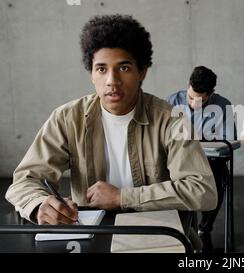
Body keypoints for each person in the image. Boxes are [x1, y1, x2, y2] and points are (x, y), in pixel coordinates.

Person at [5, 15, 217, 235]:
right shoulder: (67, 118)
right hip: (90, 237)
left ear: (142, 72)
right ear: (91, 74)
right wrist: (41, 205)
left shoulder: (171, 119)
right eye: (101, 69)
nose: (112, 81)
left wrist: (122, 197)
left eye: (124, 68)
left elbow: (203, 191)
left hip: (157, 234)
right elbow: (24, 181)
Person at [166, 66, 235, 251]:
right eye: (190, 98)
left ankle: (204, 227)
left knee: (218, 179)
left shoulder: (223, 105)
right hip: (177, 159)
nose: (194, 104)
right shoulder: (171, 101)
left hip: (211, 162)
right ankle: (185, 227)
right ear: (187, 86)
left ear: (211, 94)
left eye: (200, 100)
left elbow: (227, 144)